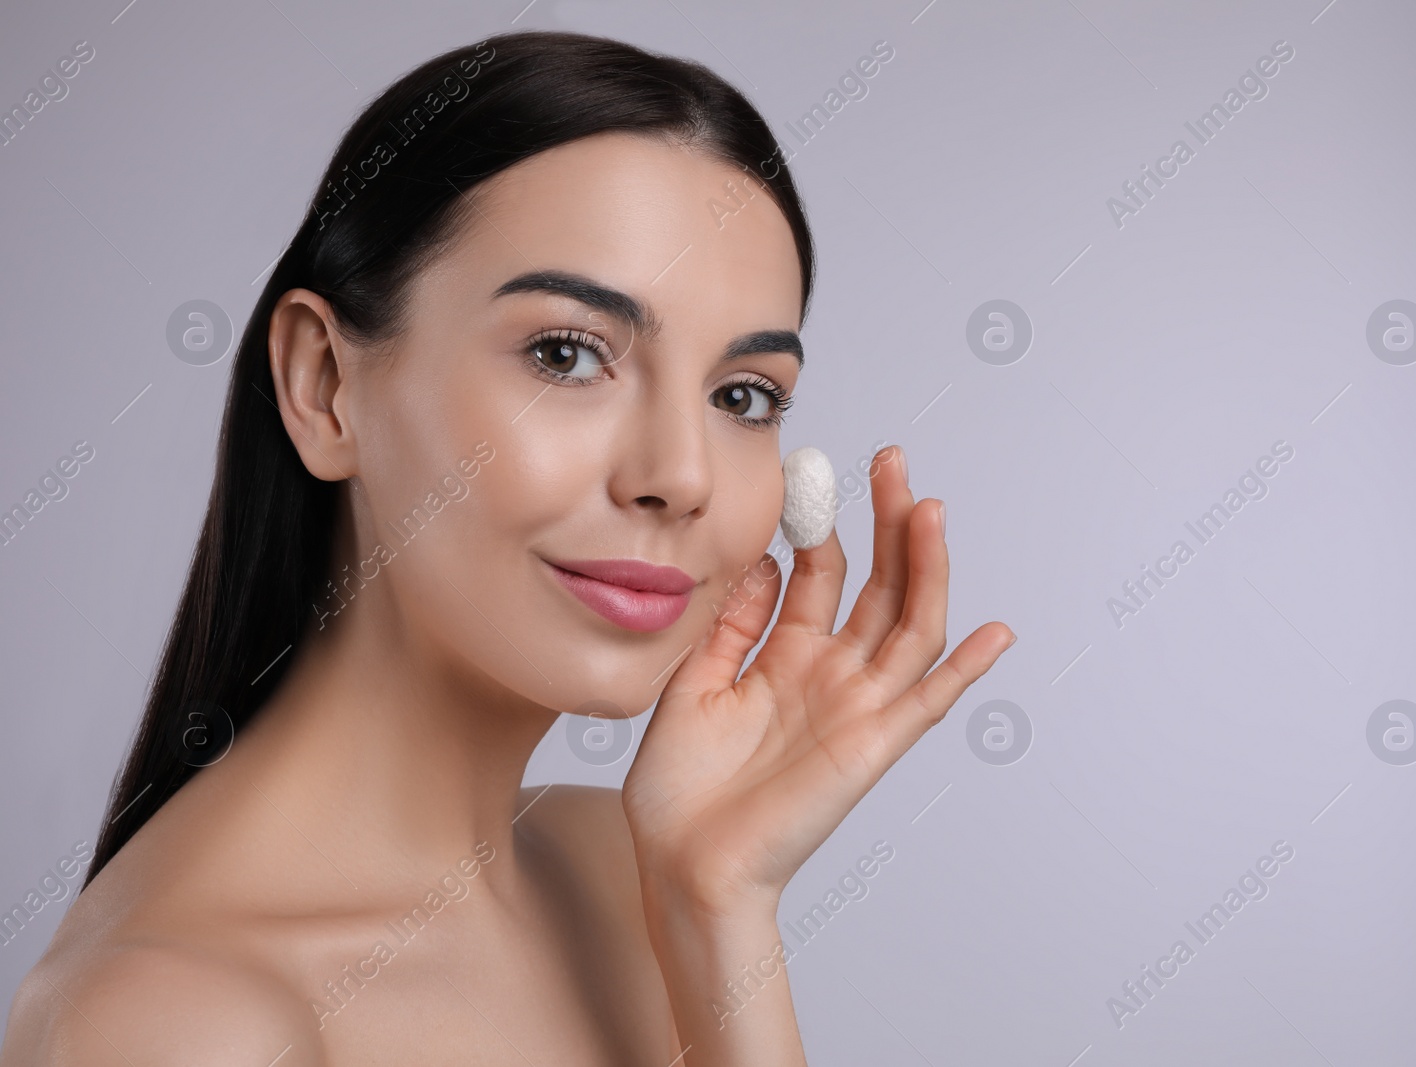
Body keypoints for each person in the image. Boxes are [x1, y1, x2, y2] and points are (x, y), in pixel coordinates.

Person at [0, 29, 1015, 1065]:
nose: (681, 473)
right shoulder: (180, 1025)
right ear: (323, 385)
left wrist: (721, 906)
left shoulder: (624, 869)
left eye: (741, 395)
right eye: (567, 353)